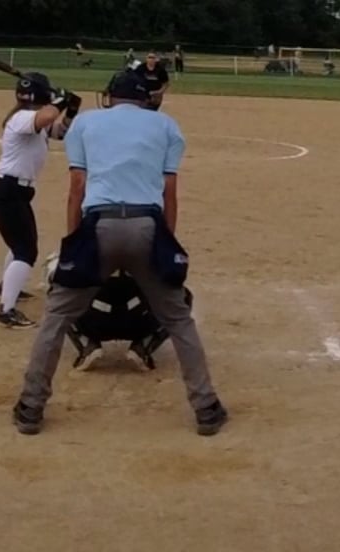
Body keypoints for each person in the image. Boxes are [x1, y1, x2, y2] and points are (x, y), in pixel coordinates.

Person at [13, 69, 226, 437]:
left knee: (57, 316)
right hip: (147, 224)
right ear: (145, 99)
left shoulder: (86, 123)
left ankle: (31, 406)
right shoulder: (166, 126)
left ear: (110, 96)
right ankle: (206, 407)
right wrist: (165, 242)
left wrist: (74, 241)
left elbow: (77, 187)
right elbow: (169, 192)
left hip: (99, 225)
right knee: (178, 318)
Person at [0, 72, 80, 327]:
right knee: (26, 250)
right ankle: (5, 311)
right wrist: (61, 100)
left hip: (12, 192)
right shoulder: (22, 117)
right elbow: (47, 117)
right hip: (6, 191)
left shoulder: (30, 118)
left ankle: (6, 288)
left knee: (19, 244)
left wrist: (70, 110)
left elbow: (59, 132)